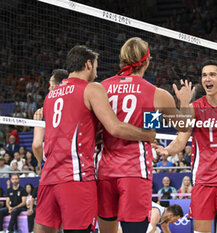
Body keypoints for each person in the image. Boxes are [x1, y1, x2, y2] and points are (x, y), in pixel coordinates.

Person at [34, 45, 155, 233]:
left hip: (49, 177)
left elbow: (40, 142)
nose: (97, 73)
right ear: (88, 64)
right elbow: (115, 127)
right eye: (96, 67)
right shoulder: (96, 88)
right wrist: (150, 134)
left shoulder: (50, 95)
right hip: (81, 177)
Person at [96, 37, 194, 233]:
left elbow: (149, 130)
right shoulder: (155, 93)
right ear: (147, 61)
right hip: (134, 171)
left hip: (104, 170)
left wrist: (150, 137)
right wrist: (185, 103)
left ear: (122, 60)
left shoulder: (100, 88)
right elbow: (184, 126)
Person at [154, 60, 217, 233]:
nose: (207, 79)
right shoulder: (194, 108)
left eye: (212, 75)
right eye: (204, 75)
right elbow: (181, 140)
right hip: (203, 181)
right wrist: (167, 150)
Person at [32, 69, 69, 167]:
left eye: (50, 85)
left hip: (51, 166)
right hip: (73, 164)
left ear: (55, 86)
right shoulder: (78, 106)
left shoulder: (41, 113)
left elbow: (37, 145)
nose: (49, 89)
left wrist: (40, 163)